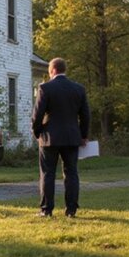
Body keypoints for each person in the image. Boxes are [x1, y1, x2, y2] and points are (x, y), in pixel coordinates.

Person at [31, 57, 90, 218]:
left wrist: (37, 132)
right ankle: (71, 210)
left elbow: (37, 115)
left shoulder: (45, 88)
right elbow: (85, 116)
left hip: (49, 137)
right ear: (64, 70)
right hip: (72, 137)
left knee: (47, 173)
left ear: (53, 70)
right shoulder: (79, 89)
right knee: (71, 173)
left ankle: (46, 209)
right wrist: (83, 135)